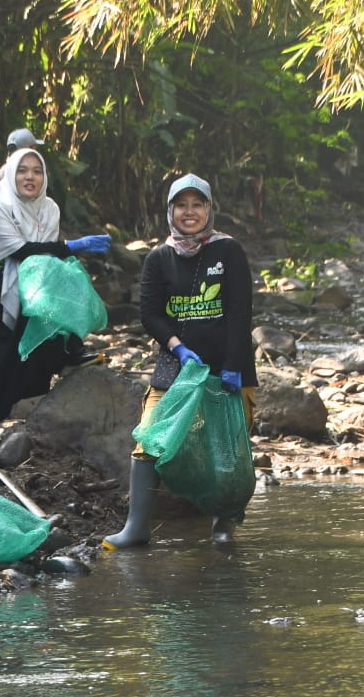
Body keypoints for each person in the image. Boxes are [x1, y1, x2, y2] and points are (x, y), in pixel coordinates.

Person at [104, 174, 257, 548]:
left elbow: (240, 312)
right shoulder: (159, 257)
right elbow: (151, 314)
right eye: (181, 205)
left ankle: (223, 525)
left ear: (208, 209)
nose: (189, 212)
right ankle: (137, 528)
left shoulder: (229, 251)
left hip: (229, 367)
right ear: (170, 210)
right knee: (150, 439)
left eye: (197, 204)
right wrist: (177, 346)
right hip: (177, 367)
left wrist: (234, 365)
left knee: (227, 447)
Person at [0, 147, 110, 449]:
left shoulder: (50, 209)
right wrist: (73, 246)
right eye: (22, 170)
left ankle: (17, 435)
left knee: (26, 357)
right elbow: (21, 250)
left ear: (44, 176)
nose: (30, 177)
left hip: (19, 291)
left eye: (37, 170)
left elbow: (44, 264)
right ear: (10, 174)